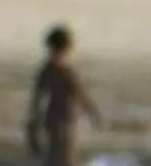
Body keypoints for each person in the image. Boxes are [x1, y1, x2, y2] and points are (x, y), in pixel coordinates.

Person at [25, 23, 101, 166]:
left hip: (63, 122)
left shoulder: (55, 70)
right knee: (60, 158)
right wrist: (92, 112)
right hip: (60, 122)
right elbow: (79, 93)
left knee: (61, 157)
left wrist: (92, 112)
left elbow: (79, 93)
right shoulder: (57, 71)